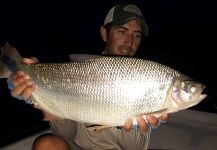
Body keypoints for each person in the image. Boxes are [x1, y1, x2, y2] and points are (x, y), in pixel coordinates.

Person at [9, 3, 168, 150]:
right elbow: (66, 134)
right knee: (46, 145)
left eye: (137, 35)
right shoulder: (80, 71)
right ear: (104, 33)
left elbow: (136, 148)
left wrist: (127, 125)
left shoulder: (142, 79)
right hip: (77, 146)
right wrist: (42, 97)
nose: (129, 41)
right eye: (122, 31)